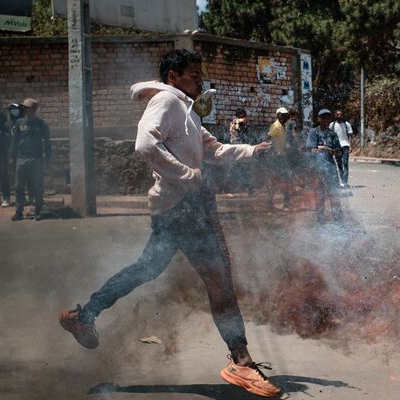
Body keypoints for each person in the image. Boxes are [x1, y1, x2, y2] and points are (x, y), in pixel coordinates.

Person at [57, 49, 281, 398]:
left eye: (199, 74)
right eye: (193, 74)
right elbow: (145, 143)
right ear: (173, 76)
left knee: (148, 268)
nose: (200, 80)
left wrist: (253, 151)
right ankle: (241, 361)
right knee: (218, 281)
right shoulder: (167, 101)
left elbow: (214, 149)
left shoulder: (187, 110)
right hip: (184, 208)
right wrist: (187, 175)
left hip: (181, 207)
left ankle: (83, 315)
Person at [10, 99, 51, 221]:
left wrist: (47, 158)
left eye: (28, 108)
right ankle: (18, 212)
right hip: (21, 158)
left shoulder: (41, 124)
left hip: (36, 159)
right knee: (19, 187)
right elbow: (14, 141)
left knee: (38, 186)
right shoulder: (19, 123)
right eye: (25, 108)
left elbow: (47, 142)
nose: (26, 110)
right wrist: (12, 156)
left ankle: (38, 211)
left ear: (34, 109)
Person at [306, 109, 343, 222]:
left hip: (330, 168)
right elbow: (311, 150)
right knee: (320, 195)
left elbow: (339, 151)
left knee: (334, 194)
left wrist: (333, 151)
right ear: (319, 119)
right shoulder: (314, 132)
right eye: (323, 117)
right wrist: (323, 148)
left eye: (328, 118)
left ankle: (338, 219)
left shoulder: (332, 134)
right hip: (317, 168)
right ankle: (321, 220)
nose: (326, 120)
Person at [263, 107, 292, 210]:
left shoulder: (284, 126)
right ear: (277, 115)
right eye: (282, 115)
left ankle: (275, 202)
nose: (284, 116)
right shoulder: (276, 126)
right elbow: (267, 139)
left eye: (285, 115)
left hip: (281, 156)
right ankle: (283, 203)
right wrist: (270, 152)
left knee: (281, 180)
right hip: (275, 157)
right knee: (280, 180)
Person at [227, 109, 256, 195]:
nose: (244, 117)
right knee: (238, 169)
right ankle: (232, 189)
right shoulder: (236, 121)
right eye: (243, 115)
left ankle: (249, 189)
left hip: (240, 147)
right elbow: (238, 122)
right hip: (238, 147)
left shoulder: (237, 123)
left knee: (243, 168)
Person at [329, 110, 353, 188]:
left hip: (345, 145)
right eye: (337, 114)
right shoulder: (332, 125)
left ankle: (345, 182)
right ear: (335, 115)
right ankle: (341, 181)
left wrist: (350, 145)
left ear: (343, 115)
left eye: (340, 114)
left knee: (345, 164)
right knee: (339, 164)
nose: (339, 115)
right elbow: (330, 136)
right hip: (337, 147)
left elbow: (350, 136)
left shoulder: (346, 124)